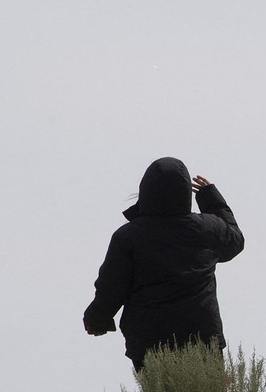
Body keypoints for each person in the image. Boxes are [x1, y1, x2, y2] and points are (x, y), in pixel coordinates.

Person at [83, 157, 244, 370]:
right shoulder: (207, 229)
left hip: (150, 345)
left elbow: (111, 287)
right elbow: (234, 241)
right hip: (203, 341)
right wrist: (210, 197)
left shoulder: (128, 237)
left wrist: (96, 320)